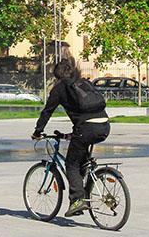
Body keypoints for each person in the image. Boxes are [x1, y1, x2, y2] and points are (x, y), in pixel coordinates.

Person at [32, 58, 111, 217]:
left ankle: (77, 200)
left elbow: (47, 112)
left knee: (71, 164)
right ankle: (84, 185)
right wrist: (72, 134)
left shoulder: (59, 89)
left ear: (57, 78)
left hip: (86, 128)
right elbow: (83, 112)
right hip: (104, 125)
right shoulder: (83, 83)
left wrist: (37, 132)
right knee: (80, 156)